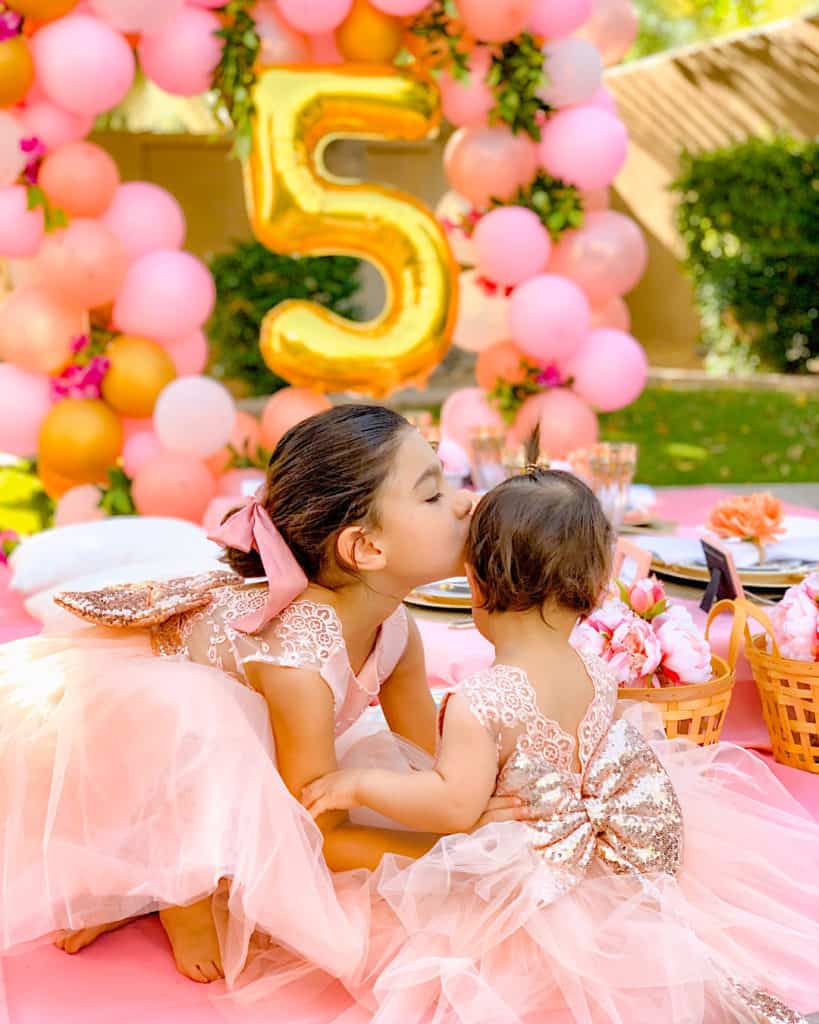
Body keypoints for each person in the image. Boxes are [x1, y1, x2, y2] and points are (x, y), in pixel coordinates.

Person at [0, 405, 525, 989]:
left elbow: (426, 757)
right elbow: (320, 836)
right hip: (118, 738)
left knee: (318, 768)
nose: (465, 502)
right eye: (432, 495)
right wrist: (448, 843)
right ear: (367, 549)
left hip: (234, 726)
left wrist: (482, 799)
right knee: (204, 719)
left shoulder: (392, 623)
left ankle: (159, 874)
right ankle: (177, 889)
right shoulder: (301, 652)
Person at [303, 470, 819, 1024]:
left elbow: (453, 806)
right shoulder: (596, 671)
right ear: (596, 585)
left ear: (475, 584)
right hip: (609, 866)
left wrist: (360, 783)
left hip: (532, 890)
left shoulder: (483, 700)